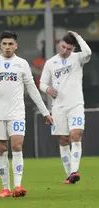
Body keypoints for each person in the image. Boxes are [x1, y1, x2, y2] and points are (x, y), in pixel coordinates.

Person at [0, 30, 53, 198]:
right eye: (4, 44)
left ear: (16, 46)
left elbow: (33, 90)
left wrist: (45, 112)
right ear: (0, 45)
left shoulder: (22, 64)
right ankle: (5, 188)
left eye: (10, 44)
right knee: (1, 149)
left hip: (17, 112)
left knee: (17, 146)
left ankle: (18, 186)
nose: (7, 47)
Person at [39, 31, 91, 184]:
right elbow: (42, 83)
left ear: (73, 49)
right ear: (59, 44)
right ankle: (70, 175)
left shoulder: (77, 59)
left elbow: (88, 52)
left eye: (68, 48)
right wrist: (47, 89)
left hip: (75, 104)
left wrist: (78, 36)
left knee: (76, 135)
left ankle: (74, 171)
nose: (64, 50)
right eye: (62, 47)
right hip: (58, 107)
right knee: (63, 140)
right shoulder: (50, 63)